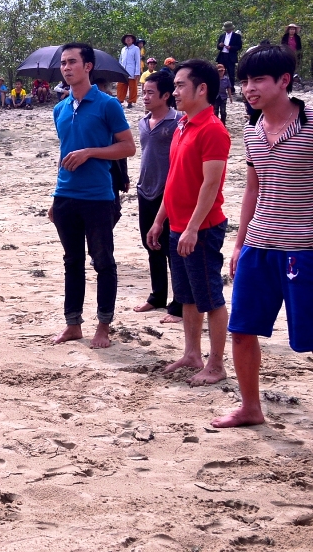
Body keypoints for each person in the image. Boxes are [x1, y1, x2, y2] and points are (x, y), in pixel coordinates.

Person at [211, 46, 312, 427]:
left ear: (284, 81)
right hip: (259, 245)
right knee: (242, 330)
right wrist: (239, 243)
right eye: (245, 81)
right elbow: (254, 188)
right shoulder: (252, 131)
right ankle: (250, 407)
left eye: (258, 80)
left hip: (304, 248)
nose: (249, 89)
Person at [146, 59, 230, 386]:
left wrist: (194, 227)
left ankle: (217, 364)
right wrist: (159, 221)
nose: (175, 91)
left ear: (202, 89)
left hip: (203, 228)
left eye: (181, 86)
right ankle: (192, 353)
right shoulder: (182, 124)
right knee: (187, 296)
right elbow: (175, 179)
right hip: (177, 225)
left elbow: (211, 185)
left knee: (211, 297)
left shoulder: (213, 129)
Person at [49, 43, 136, 348]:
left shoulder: (107, 104)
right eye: (63, 63)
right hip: (65, 195)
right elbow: (64, 152)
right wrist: (55, 199)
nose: (66, 67)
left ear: (88, 66)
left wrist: (90, 153)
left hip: (99, 196)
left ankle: (103, 326)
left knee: (103, 262)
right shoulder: (59, 108)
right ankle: (73, 324)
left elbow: (128, 147)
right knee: (71, 262)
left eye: (72, 62)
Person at [134, 72, 183, 324]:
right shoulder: (143, 122)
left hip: (169, 194)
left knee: (172, 249)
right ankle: (157, 296)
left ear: (166, 95)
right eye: (143, 92)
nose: (145, 96)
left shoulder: (178, 122)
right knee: (150, 244)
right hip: (145, 191)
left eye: (151, 92)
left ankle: (180, 304)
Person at [216, 21, 243, 89]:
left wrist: (231, 47)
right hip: (222, 56)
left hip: (231, 57)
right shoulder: (222, 36)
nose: (227, 30)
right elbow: (218, 47)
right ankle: (220, 88)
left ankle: (231, 88)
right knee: (220, 72)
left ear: (231, 29)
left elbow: (239, 46)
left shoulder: (236, 36)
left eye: (228, 29)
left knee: (231, 73)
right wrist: (220, 45)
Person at [117, 34, 142, 107]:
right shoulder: (123, 49)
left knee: (132, 87)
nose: (128, 39)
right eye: (126, 38)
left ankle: (130, 102)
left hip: (132, 70)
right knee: (121, 86)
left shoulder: (136, 48)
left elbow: (137, 61)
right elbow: (120, 60)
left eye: (129, 38)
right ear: (124, 40)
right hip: (123, 70)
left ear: (133, 40)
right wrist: (119, 70)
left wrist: (137, 72)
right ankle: (120, 100)